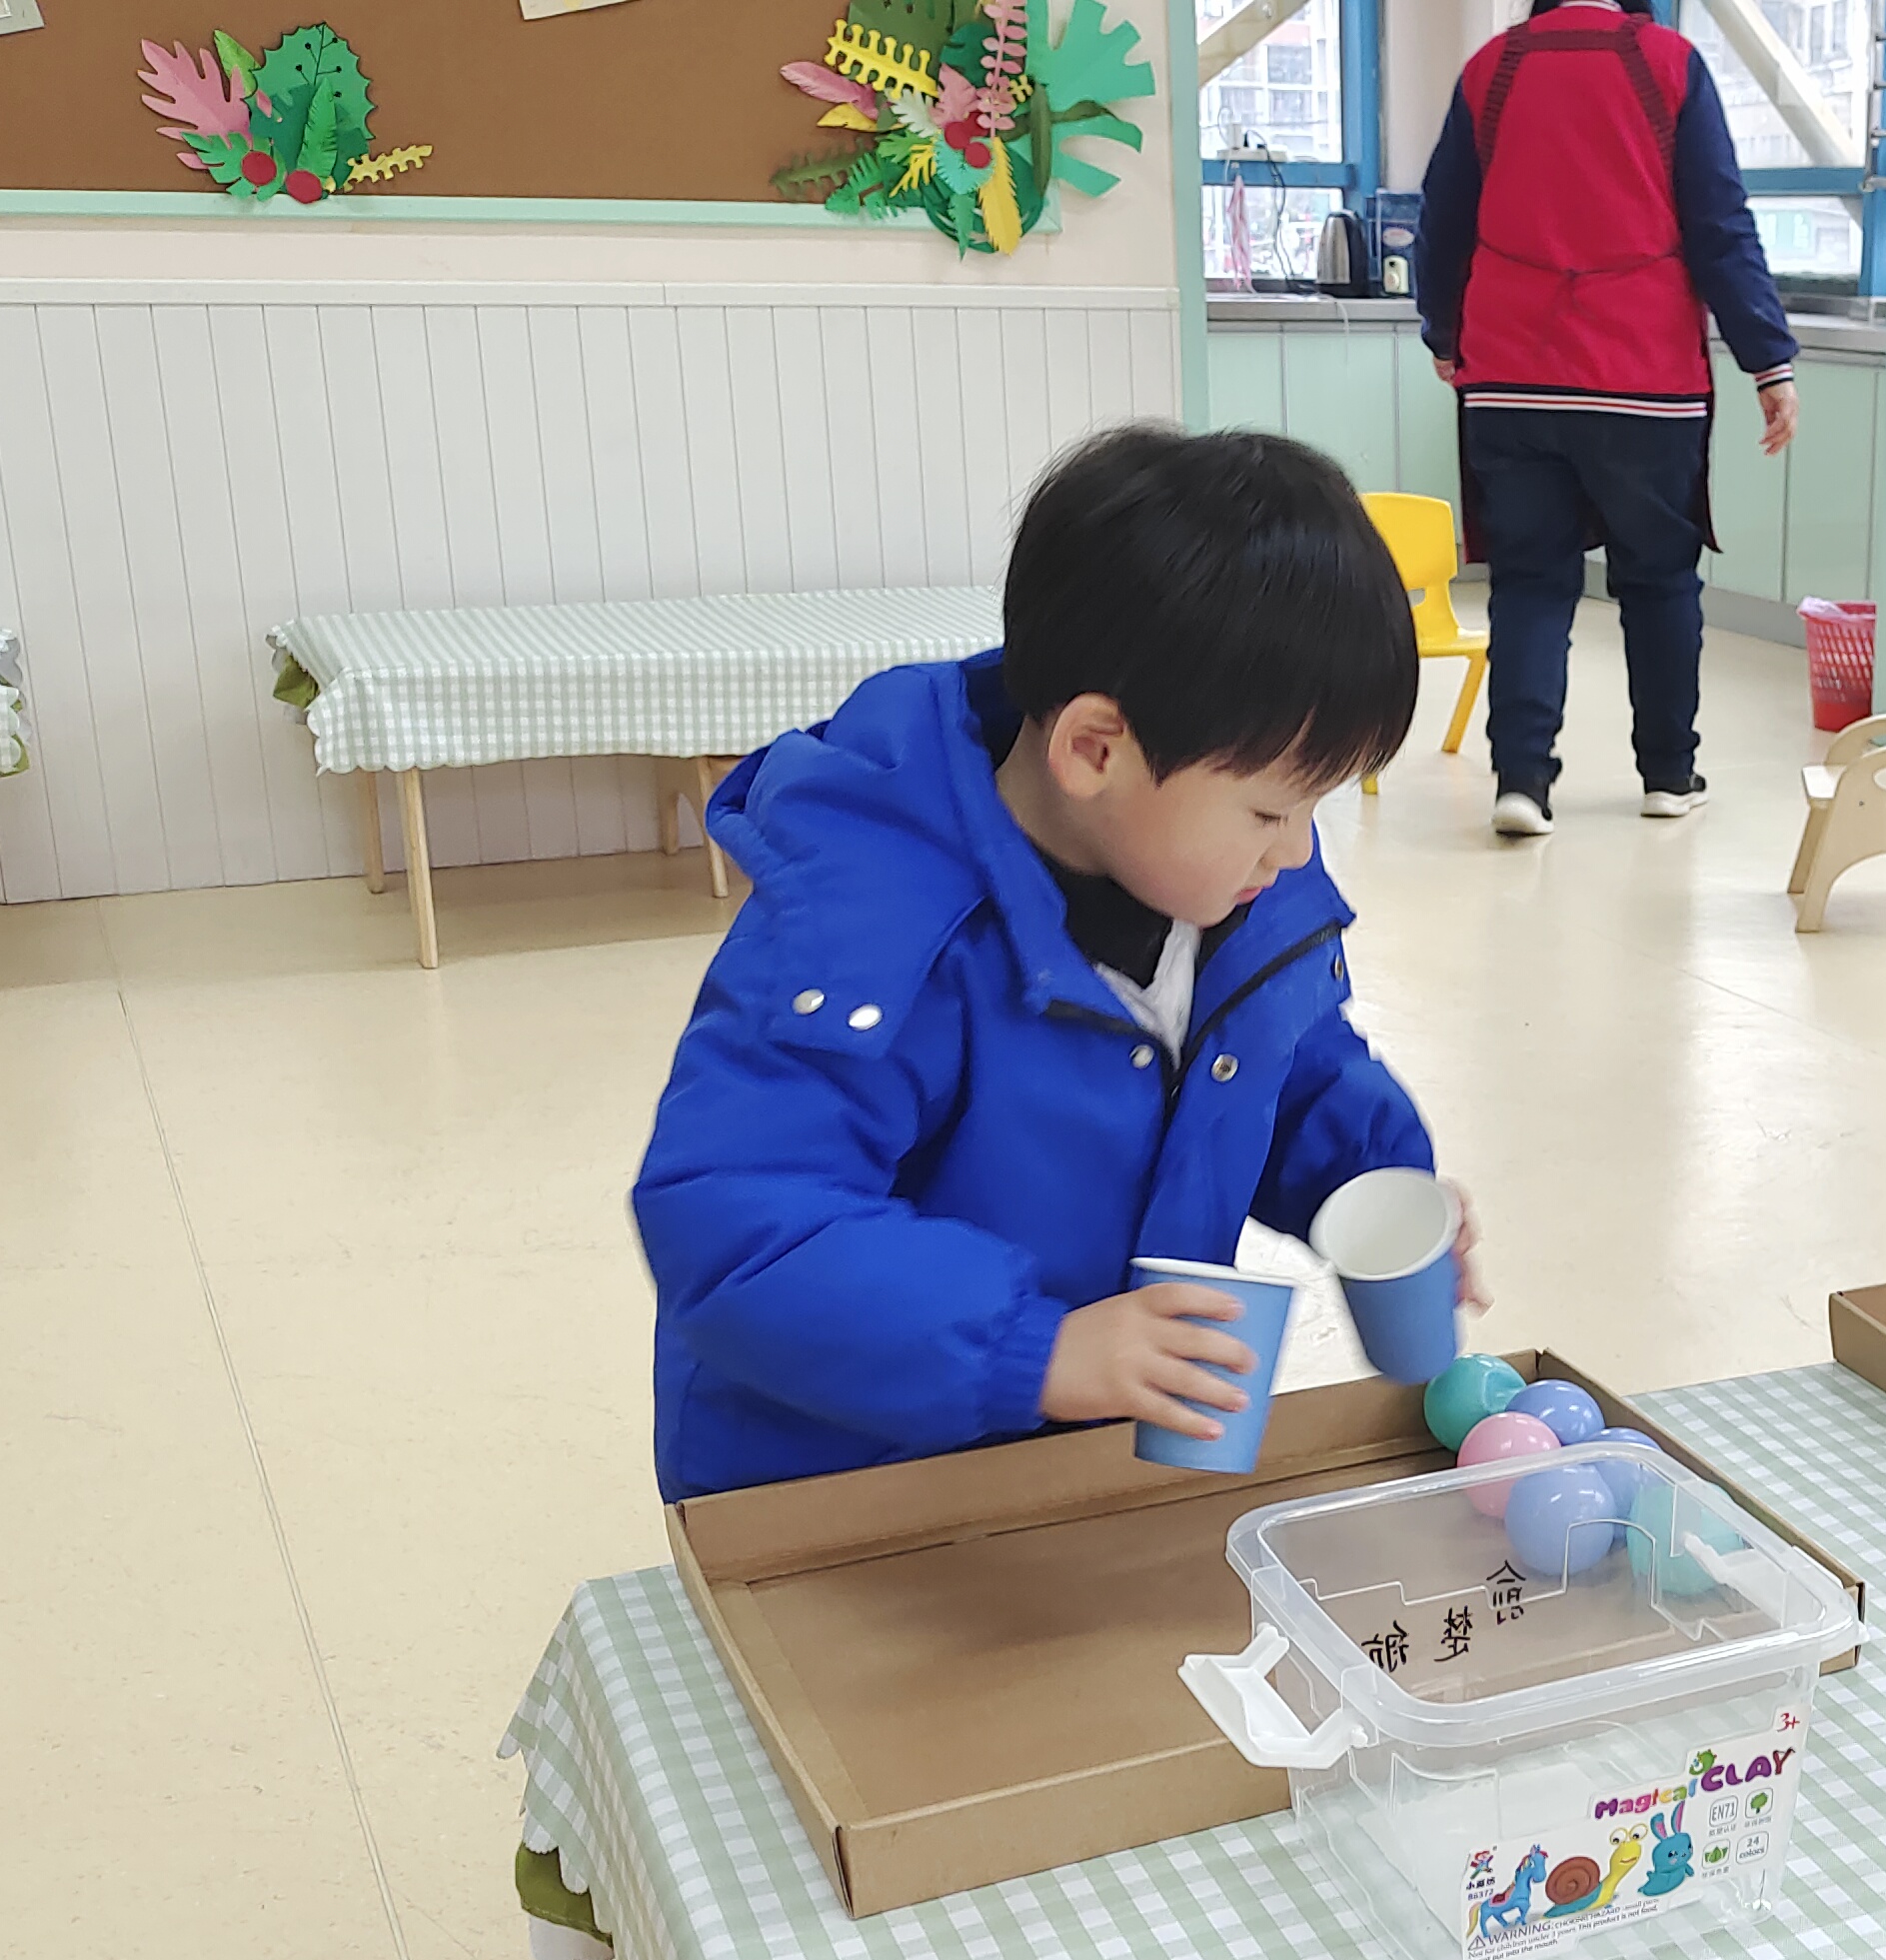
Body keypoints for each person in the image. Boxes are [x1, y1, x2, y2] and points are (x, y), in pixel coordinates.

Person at [632, 426, 1476, 1499]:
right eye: (1271, 809)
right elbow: (737, 1222)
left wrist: (1372, 1176)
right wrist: (1037, 1351)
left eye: (1316, 806)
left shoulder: (1226, 891)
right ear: (1093, 749)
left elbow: (1288, 1063)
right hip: (841, 1483)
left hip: (1066, 1466)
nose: (1297, 851)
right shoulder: (865, 933)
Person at [1416, 0, 1799, 838]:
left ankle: (1521, 782)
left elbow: (1441, 222)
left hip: (1512, 380)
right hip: (1644, 381)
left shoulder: (1491, 69)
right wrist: (1767, 361)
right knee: (1659, 581)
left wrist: (1445, 333)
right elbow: (1720, 226)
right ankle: (1667, 773)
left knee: (1529, 580)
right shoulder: (1669, 65)